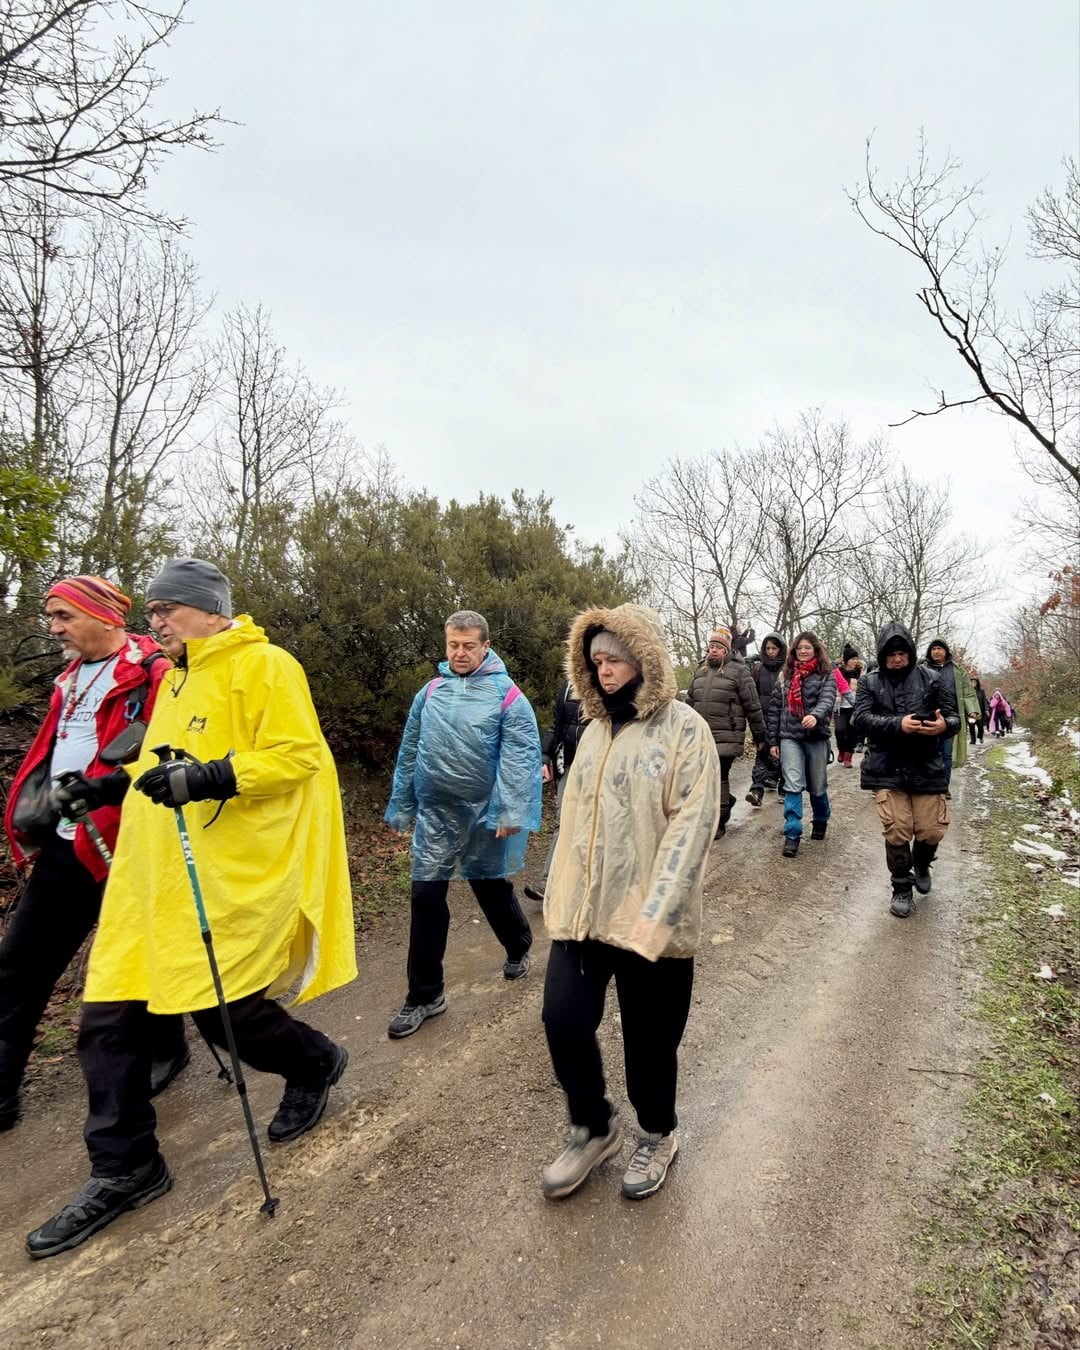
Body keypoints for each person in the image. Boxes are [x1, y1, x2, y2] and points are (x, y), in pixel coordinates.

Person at [26, 559, 356, 1259]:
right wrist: (105, 789)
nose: (154, 623)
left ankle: (314, 1060)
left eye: (164, 611)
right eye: (150, 613)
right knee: (106, 1019)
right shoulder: (171, 675)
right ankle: (125, 1166)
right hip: (149, 878)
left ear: (208, 611)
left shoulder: (265, 665)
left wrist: (215, 776)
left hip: (223, 875)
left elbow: (300, 757)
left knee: (227, 1015)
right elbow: (159, 762)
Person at [540, 604, 720, 1201]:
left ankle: (657, 1132)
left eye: (614, 658)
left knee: (649, 1043)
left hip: (651, 923)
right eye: (595, 661)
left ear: (643, 659)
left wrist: (657, 912)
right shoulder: (591, 733)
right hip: (585, 916)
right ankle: (594, 1127)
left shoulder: (686, 729)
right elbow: (574, 825)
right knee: (562, 1021)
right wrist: (558, 895)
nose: (605, 671)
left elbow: (692, 826)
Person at [1, 576, 188, 1134]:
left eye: (63, 616)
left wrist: (109, 787)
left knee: (139, 954)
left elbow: (164, 753)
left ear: (104, 616)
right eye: (51, 616)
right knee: (20, 962)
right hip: (67, 838)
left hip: (125, 841)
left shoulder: (152, 671)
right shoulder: (68, 678)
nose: (54, 627)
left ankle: (167, 1048)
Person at [385, 610, 542, 1039]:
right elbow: (411, 747)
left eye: (468, 645)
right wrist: (402, 802)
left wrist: (511, 810)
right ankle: (424, 995)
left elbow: (520, 755)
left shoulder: (507, 696)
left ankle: (519, 945)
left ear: (485, 646)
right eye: (453, 644)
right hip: (436, 814)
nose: (459, 652)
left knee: (489, 886)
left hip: (484, 813)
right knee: (425, 896)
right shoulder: (430, 692)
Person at [852, 623, 959, 917]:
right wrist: (897, 724)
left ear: (910, 653)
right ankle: (901, 887)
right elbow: (859, 719)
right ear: (883, 655)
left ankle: (923, 863)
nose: (897, 659)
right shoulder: (870, 682)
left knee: (931, 829)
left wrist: (943, 726)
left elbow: (954, 718)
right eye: (891, 654)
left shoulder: (933, 679)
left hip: (926, 765)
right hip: (886, 766)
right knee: (897, 829)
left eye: (902, 653)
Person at [685, 625, 766, 837]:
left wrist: (760, 735)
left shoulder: (739, 671)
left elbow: (752, 704)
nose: (713, 650)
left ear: (726, 650)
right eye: (711, 646)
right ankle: (726, 802)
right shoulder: (700, 670)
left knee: (719, 776)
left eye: (718, 647)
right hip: (701, 736)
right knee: (702, 778)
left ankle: (719, 821)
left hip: (727, 735)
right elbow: (689, 703)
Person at [766, 632, 837, 858]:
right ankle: (792, 833)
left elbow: (827, 699)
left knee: (817, 786)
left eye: (808, 647)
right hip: (790, 737)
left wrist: (815, 716)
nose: (803, 651)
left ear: (816, 650)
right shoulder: (784, 676)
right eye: (799, 648)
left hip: (816, 737)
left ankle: (821, 819)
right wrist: (772, 740)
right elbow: (775, 709)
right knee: (793, 783)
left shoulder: (827, 674)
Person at [524, 679, 586, 903]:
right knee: (564, 822)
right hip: (569, 765)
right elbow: (556, 725)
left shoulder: (612, 680)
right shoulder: (570, 684)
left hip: (604, 768)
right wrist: (546, 756)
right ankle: (549, 881)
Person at [923, 639, 980, 787]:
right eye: (933, 648)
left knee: (946, 754)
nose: (936, 651)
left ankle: (943, 786)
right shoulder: (921, 668)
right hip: (927, 716)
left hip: (950, 718)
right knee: (927, 752)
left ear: (946, 651)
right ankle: (927, 786)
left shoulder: (957, 670)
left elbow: (968, 692)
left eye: (939, 648)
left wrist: (972, 710)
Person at [745, 633, 787, 805]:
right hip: (763, 718)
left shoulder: (787, 669)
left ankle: (784, 788)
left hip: (783, 719)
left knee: (785, 755)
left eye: (774, 648)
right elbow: (752, 696)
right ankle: (756, 790)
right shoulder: (757, 669)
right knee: (761, 754)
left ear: (781, 649)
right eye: (767, 648)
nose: (770, 652)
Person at [834, 645, 864, 766]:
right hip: (839, 705)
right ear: (846, 660)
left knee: (852, 732)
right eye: (852, 659)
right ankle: (841, 749)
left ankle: (848, 757)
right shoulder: (838, 672)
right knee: (840, 730)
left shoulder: (860, 673)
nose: (855, 661)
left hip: (854, 706)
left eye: (856, 658)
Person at [970, 676, 989, 745]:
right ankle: (973, 740)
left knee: (980, 726)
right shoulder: (968, 691)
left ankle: (980, 737)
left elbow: (984, 700)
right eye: (971, 682)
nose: (973, 683)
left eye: (974, 682)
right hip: (971, 712)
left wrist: (986, 709)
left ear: (977, 683)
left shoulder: (981, 691)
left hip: (980, 712)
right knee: (971, 726)